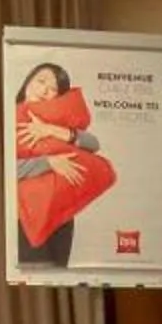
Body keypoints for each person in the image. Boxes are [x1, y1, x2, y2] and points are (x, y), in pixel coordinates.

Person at [13, 61, 109, 269]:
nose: (45, 90)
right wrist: (48, 162)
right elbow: (4, 169)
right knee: (35, 278)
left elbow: (93, 144)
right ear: (28, 81)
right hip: (26, 214)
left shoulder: (56, 120)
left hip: (60, 217)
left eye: (53, 89)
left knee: (59, 276)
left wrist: (52, 130)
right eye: (41, 81)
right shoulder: (8, 117)